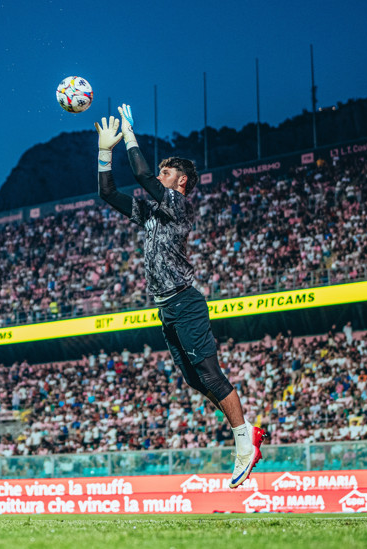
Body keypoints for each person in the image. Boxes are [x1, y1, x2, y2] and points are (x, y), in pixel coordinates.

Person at [94, 104, 264, 488]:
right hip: (165, 308)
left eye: (166, 172)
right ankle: (245, 433)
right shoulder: (152, 212)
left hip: (185, 300)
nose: (158, 175)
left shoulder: (178, 205)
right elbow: (107, 193)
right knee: (193, 378)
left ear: (182, 181)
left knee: (209, 373)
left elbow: (139, 172)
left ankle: (244, 441)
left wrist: (131, 135)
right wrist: (104, 152)